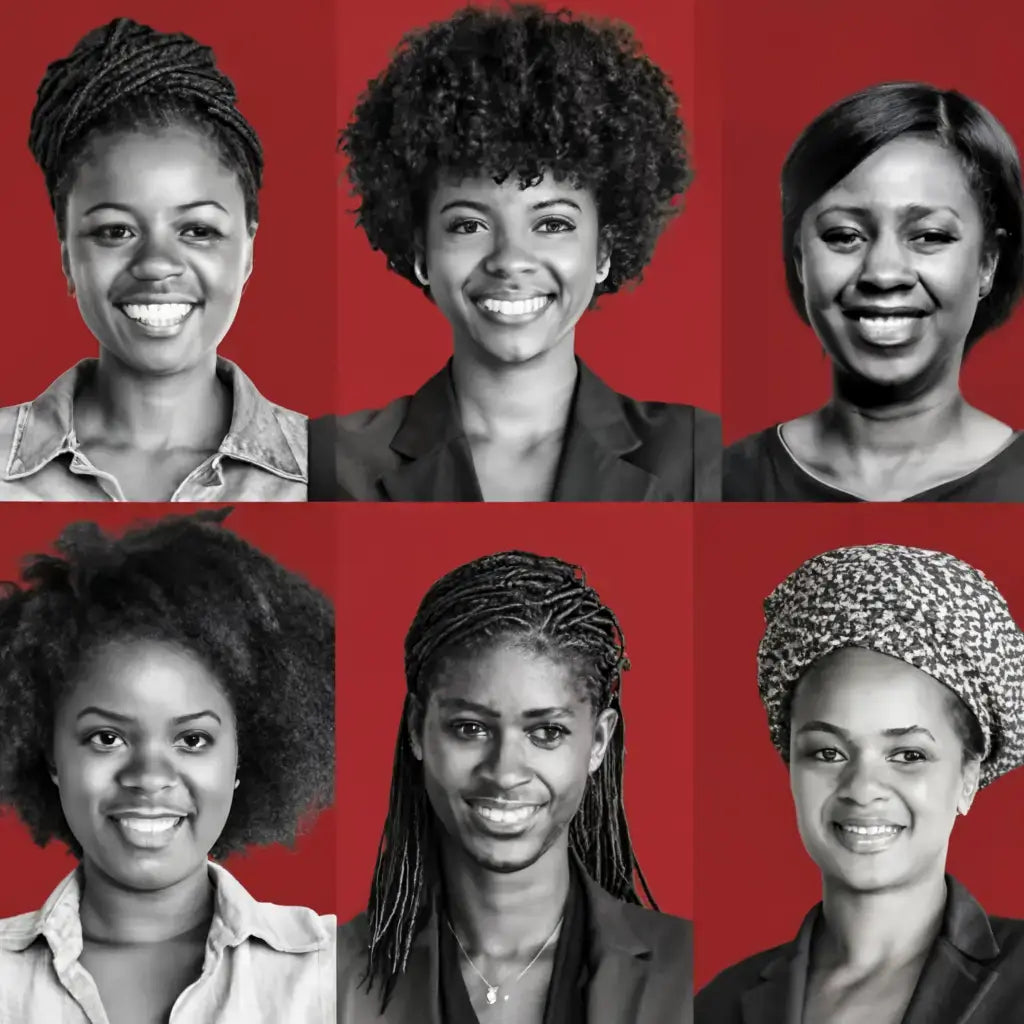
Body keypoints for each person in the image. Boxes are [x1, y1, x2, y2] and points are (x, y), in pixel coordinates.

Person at [309, 4, 720, 502]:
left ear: (604, 250)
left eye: (551, 223)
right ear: (421, 253)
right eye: (469, 224)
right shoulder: (327, 461)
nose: (510, 259)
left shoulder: (701, 455)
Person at [0, 511, 335, 1022]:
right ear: (50, 755)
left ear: (246, 755)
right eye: (107, 737)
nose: (150, 777)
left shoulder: (335, 970)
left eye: (193, 739)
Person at [339, 551, 691, 1022]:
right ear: (418, 729)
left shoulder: (690, 972)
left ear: (598, 741)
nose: (504, 773)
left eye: (546, 733)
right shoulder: (327, 975)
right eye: (470, 728)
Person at [696, 544, 1024, 1022]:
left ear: (967, 777)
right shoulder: (718, 1004)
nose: (862, 786)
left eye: (908, 755)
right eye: (828, 753)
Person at [0, 18, 308, 501]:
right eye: (115, 231)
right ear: (67, 256)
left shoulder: (328, 471)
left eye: (198, 231)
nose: (156, 264)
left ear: (247, 252)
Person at [724, 82, 1024, 501]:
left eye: (930, 235)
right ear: (800, 261)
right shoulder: (724, 481)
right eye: (845, 235)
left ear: (987, 262)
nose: (883, 273)